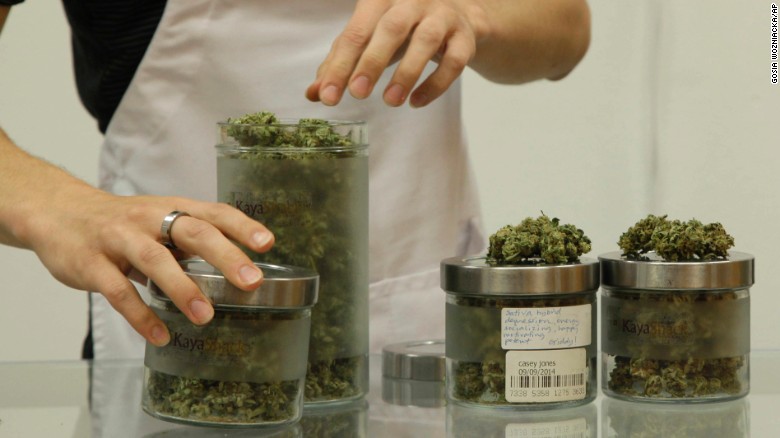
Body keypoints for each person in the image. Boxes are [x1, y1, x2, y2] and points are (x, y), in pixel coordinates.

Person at [0, 0, 590, 359]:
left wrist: (476, 15)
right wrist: (55, 204)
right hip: (189, 335)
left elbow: (566, 29)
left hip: (415, 324)